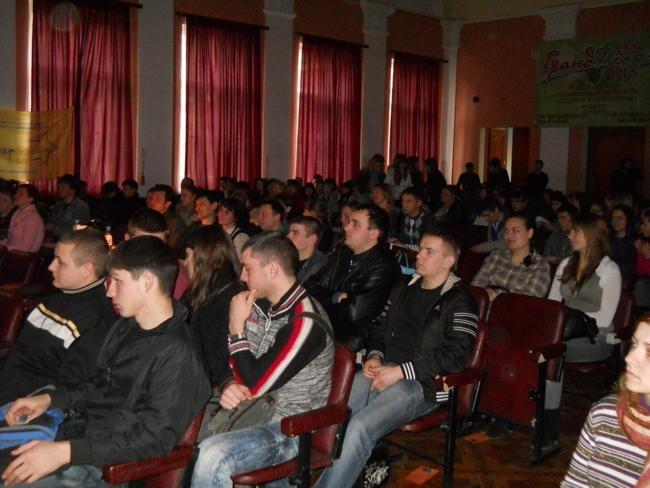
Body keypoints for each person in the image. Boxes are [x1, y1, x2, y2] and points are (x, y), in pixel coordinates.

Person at [1, 236, 211, 487]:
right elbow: (98, 384)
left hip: (105, 466)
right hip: (76, 436)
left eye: (118, 281)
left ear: (147, 282)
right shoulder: (126, 327)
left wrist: (66, 452)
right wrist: (51, 400)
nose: (109, 291)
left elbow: (154, 439)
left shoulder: (179, 354)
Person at [316, 231, 479, 488]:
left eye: (429, 252)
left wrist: (401, 371)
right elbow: (379, 327)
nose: (419, 255)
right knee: (332, 413)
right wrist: (375, 356)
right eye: (420, 249)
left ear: (449, 261)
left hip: (424, 383)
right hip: (384, 369)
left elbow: (456, 356)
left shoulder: (460, 300)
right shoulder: (404, 287)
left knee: (360, 426)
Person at [191, 234, 334, 487]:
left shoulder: (306, 323)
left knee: (211, 457)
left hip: (288, 428)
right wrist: (227, 383)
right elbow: (219, 354)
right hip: (247, 409)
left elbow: (255, 382)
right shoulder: (256, 303)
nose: (242, 276)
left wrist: (236, 328)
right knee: (173, 423)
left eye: (248, 268)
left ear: (273, 270)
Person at [0, 229, 116, 406]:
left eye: (60, 262)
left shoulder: (98, 320)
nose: (51, 267)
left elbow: (70, 389)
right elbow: (18, 355)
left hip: (26, 403)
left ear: (87, 269)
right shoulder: (55, 297)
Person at [562, 313, 650, 487]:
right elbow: (574, 484)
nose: (629, 357)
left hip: (597, 336)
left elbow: (602, 319)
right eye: (634, 344)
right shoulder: (606, 413)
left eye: (649, 352)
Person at [308, 203, 401, 351]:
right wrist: (336, 297)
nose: (346, 227)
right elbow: (309, 287)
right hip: (324, 328)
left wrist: (326, 299)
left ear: (373, 234)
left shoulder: (383, 266)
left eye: (355, 225)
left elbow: (353, 315)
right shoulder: (343, 252)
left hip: (351, 344)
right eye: (348, 222)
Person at [548, 214, 622, 363]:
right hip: (565, 329)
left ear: (592, 235)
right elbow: (552, 303)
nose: (570, 236)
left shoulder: (609, 270)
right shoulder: (566, 264)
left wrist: (567, 320)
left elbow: (604, 319)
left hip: (595, 335)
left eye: (576, 232)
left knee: (548, 349)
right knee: (536, 342)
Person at [183, 225, 244, 384]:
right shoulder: (203, 288)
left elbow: (217, 357)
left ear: (204, 257)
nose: (185, 262)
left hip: (218, 383)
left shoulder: (229, 296)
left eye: (188, 256)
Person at [472, 213, 551, 302]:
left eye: (515, 231)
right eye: (506, 231)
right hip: (484, 305)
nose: (509, 236)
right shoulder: (495, 256)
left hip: (513, 309)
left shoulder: (540, 265)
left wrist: (494, 295)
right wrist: (484, 295)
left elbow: (530, 298)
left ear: (530, 233)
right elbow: (477, 284)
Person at [127, 207, 189, 300]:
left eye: (158, 246)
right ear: (127, 240)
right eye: (143, 245)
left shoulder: (178, 277)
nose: (152, 253)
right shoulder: (116, 275)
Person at [0, 184, 45, 252]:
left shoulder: (33, 218)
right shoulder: (17, 213)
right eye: (17, 193)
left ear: (30, 199)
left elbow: (25, 247)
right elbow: (10, 239)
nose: (15, 196)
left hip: (23, 256)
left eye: (20, 194)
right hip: (12, 253)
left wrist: (5, 247)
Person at [46, 174, 90, 239]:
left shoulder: (81, 207)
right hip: (58, 238)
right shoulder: (59, 205)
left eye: (63, 187)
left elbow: (76, 229)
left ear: (72, 190)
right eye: (58, 187)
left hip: (72, 240)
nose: (59, 190)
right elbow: (51, 221)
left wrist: (54, 229)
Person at [287, 216, 328, 284]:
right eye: (289, 232)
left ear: (312, 239)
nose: (288, 236)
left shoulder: (319, 266)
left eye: (295, 233)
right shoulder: (285, 256)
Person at [147, 183, 186, 251]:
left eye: (157, 200)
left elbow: (173, 248)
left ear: (167, 204)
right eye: (151, 198)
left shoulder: (174, 222)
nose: (151, 202)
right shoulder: (147, 216)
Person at [610, 205, 637, 284]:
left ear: (628, 220)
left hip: (624, 280)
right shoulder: (608, 238)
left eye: (619, 218)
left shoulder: (635, 241)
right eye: (613, 218)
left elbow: (630, 268)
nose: (615, 222)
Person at [635, 209, 650, 313]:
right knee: (641, 285)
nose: (641, 227)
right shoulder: (643, 243)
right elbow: (640, 271)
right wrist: (641, 253)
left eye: (645, 225)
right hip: (645, 283)